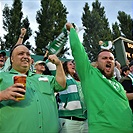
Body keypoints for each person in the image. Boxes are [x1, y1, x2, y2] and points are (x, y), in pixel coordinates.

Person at [65, 22, 133, 133]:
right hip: (104, 129)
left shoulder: (118, 84)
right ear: (97, 63)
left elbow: (123, 98)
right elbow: (78, 52)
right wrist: (72, 31)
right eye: (104, 58)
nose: (108, 60)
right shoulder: (90, 75)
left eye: (111, 59)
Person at [0, 44, 66, 132]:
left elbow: (61, 85)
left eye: (28, 54)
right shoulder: (2, 76)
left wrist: (58, 64)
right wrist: (2, 95)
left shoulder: (43, 78)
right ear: (12, 59)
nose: (25, 56)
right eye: (21, 54)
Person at [59, 60, 88, 133]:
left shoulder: (80, 79)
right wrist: (58, 63)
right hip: (69, 120)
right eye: (70, 64)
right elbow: (50, 66)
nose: (73, 65)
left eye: (74, 64)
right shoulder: (62, 78)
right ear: (65, 67)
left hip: (84, 119)